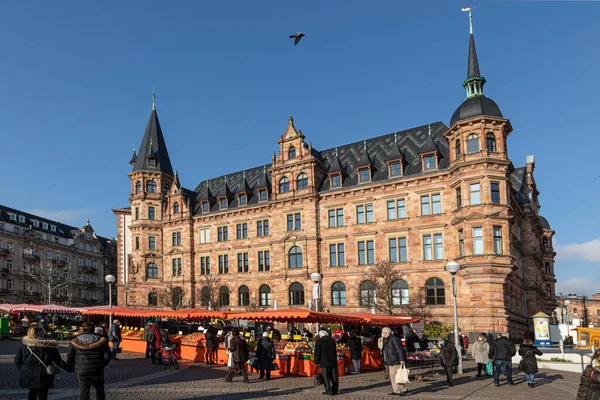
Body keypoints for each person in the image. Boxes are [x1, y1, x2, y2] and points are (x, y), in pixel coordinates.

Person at [15, 325, 68, 400]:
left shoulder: (24, 346)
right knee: (43, 394)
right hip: (44, 374)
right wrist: (70, 368)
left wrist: (23, 370)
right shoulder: (50, 347)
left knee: (32, 393)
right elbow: (59, 362)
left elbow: (17, 360)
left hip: (28, 373)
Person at [66, 322, 112, 400]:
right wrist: (102, 364)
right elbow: (107, 356)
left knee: (84, 390)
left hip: (82, 369)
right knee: (99, 389)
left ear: (82, 329)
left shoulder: (75, 341)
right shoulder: (101, 340)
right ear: (93, 329)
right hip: (97, 369)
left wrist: (71, 366)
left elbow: (70, 356)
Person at [382, 326, 408, 396]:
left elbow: (399, 349)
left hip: (395, 360)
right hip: (390, 360)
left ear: (385, 333)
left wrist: (401, 359)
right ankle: (400, 389)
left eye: (383, 333)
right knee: (394, 375)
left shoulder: (393, 339)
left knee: (395, 375)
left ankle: (399, 389)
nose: (382, 334)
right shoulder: (386, 339)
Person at [314, 330, 338, 396]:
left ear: (320, 335)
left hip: (324, 361)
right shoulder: (332, 340)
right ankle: (335, 390)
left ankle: (328, 390)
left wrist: (316, 361)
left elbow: (317, 352)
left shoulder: (319, 341)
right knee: (334, 376)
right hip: (333, 360)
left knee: (326, 376)